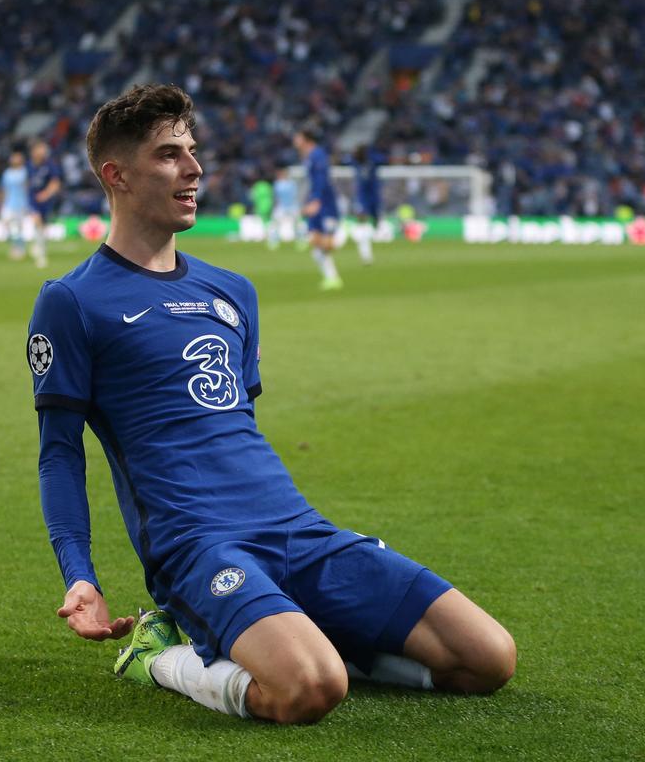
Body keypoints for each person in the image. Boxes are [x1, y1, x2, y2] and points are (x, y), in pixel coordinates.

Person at [28, 84, 515, 725]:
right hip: (199, 545)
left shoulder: (232, 293)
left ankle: (299, 630)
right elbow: (59, 456)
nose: (194, 168)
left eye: (192, 151)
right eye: (169, 154)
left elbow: (237, 424)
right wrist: (80, 574)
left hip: (297, 528)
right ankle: (159, 655)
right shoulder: (72, 302)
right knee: (309, 690)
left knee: (488, 658)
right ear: (114, 174)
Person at [293, 126, 343, 291]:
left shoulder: (317, 155)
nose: (295, 140)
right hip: (319, 202)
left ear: (306, 138)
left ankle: (333, 276)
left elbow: (322, 179)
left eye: (298, 137)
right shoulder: (309, 157)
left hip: (325, 205)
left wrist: (316, 201)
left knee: (323, 243)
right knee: (316, 244)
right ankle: (332, 278)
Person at [27, 140, 62, 269]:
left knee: (43, 226)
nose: (43, 152)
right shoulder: (29, 165)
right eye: (40, 149)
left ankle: (40, 246)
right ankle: (41, 255)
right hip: (32, 199)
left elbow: (55, 182)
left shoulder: (50, 165)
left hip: (46, 200)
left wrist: (46, 194)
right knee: (37, 221)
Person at [350, 144, 387, 265]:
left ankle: (377, 234)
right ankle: (366, 254)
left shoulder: (372, 160)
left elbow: (383, 159)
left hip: (374, 195)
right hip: (362, 196)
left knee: (376, 222)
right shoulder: (355, 162)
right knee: (362, 219)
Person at [0, 150, 30, 261]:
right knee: (6, 226)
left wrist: (28, 204)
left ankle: (19, 249)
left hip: (21, 204)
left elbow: (27, 188)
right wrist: (0, 203)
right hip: (8, 204)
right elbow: (3, 189)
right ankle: (15, 245)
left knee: (18, 228)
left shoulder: (24, 172)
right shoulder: (7, 173)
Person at [271, 166, 300, 250]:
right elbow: (276, 197)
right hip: (282, 206)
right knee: (275, 223)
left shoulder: (291, 184)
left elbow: (294, 195)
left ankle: (300, 239)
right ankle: (274, 240)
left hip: (292, 206)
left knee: (297, 224)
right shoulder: (278, 184)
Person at [248, 175, 273, 248]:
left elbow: (253, 196)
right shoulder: (268, 186)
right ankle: (268, 235)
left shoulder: (257, 186)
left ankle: (262, 235)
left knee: (261, 221)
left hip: (260, 205)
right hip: (268, 204)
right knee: (267, 220)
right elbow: (272, 195)